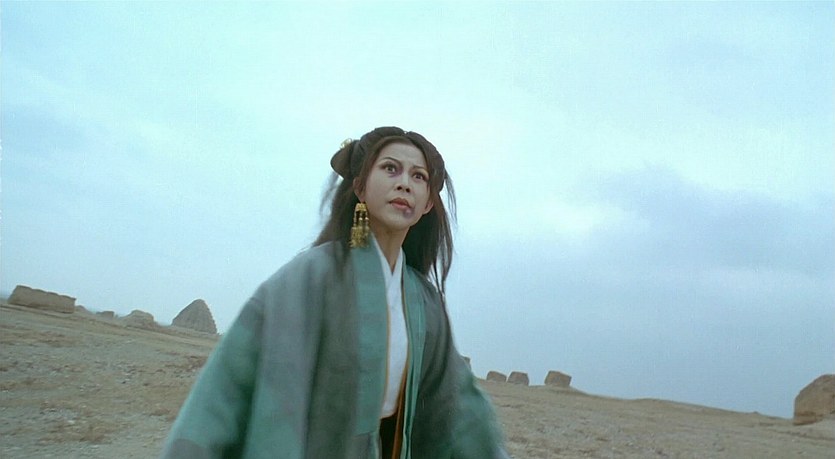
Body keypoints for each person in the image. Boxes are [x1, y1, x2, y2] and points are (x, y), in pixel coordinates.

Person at [160, 126, 508, 458]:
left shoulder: (424, 303)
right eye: (390, 169)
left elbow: (460, 408)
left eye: (419, 177)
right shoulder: (312, 276)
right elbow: (228, 385)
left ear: (429, 203)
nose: (405, 183)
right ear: (360, 187)